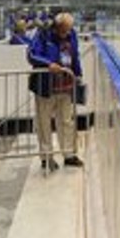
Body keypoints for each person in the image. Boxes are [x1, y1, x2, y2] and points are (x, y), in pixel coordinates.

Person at [26, 11, 82, 171]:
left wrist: (78, 75)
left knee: (67, 120)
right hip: (45, 86)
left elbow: (75, 56)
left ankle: (69, 154)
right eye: (64, 30)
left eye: (69, 30)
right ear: (57, 27)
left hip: (65, 85)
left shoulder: (72, 35)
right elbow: (31, 55)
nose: (67, 33)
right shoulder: (43, 34)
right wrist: (48, 64)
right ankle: (47, 156)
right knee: (44, 123)